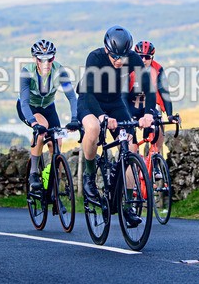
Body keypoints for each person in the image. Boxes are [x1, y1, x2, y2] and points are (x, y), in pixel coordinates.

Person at [77, 26, 154, 227]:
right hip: (90, 100)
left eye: (123, 56)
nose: (119, 61)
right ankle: (89, 176)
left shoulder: (133, 59)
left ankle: (126, 207)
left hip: (114, 102)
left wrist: (147, 113)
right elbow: (90, 93)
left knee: (127, 147)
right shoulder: (94, 58)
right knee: (93, 129)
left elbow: (148, 87)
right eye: (114, 56)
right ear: (106, 49)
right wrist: (102, 116)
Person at [16, 39, 80, 191]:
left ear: (54, 58)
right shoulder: (27, 72)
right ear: (35, 59)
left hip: (49, 108)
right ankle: (33, 174)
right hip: (29, 108)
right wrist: (33, 123)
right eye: (41, 59)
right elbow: (24, 103)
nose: (46, 63)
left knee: (56, 142)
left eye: (49, 59)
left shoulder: (59, 71)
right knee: (42, 129)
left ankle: (54, 186)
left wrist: (75, 119)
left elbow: (71, 96)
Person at [128, 40, 176, 155]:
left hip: (148, 107)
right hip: (130, 107)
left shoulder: (158, 69)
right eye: (140, 57)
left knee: (158, 127)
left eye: (147, 57)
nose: (143, 60)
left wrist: (169, 115)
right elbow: (121, 96)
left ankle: (155, 158)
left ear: (152, 57)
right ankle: (133, 160)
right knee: (132, 146)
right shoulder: (128, 68)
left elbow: (164, 93)